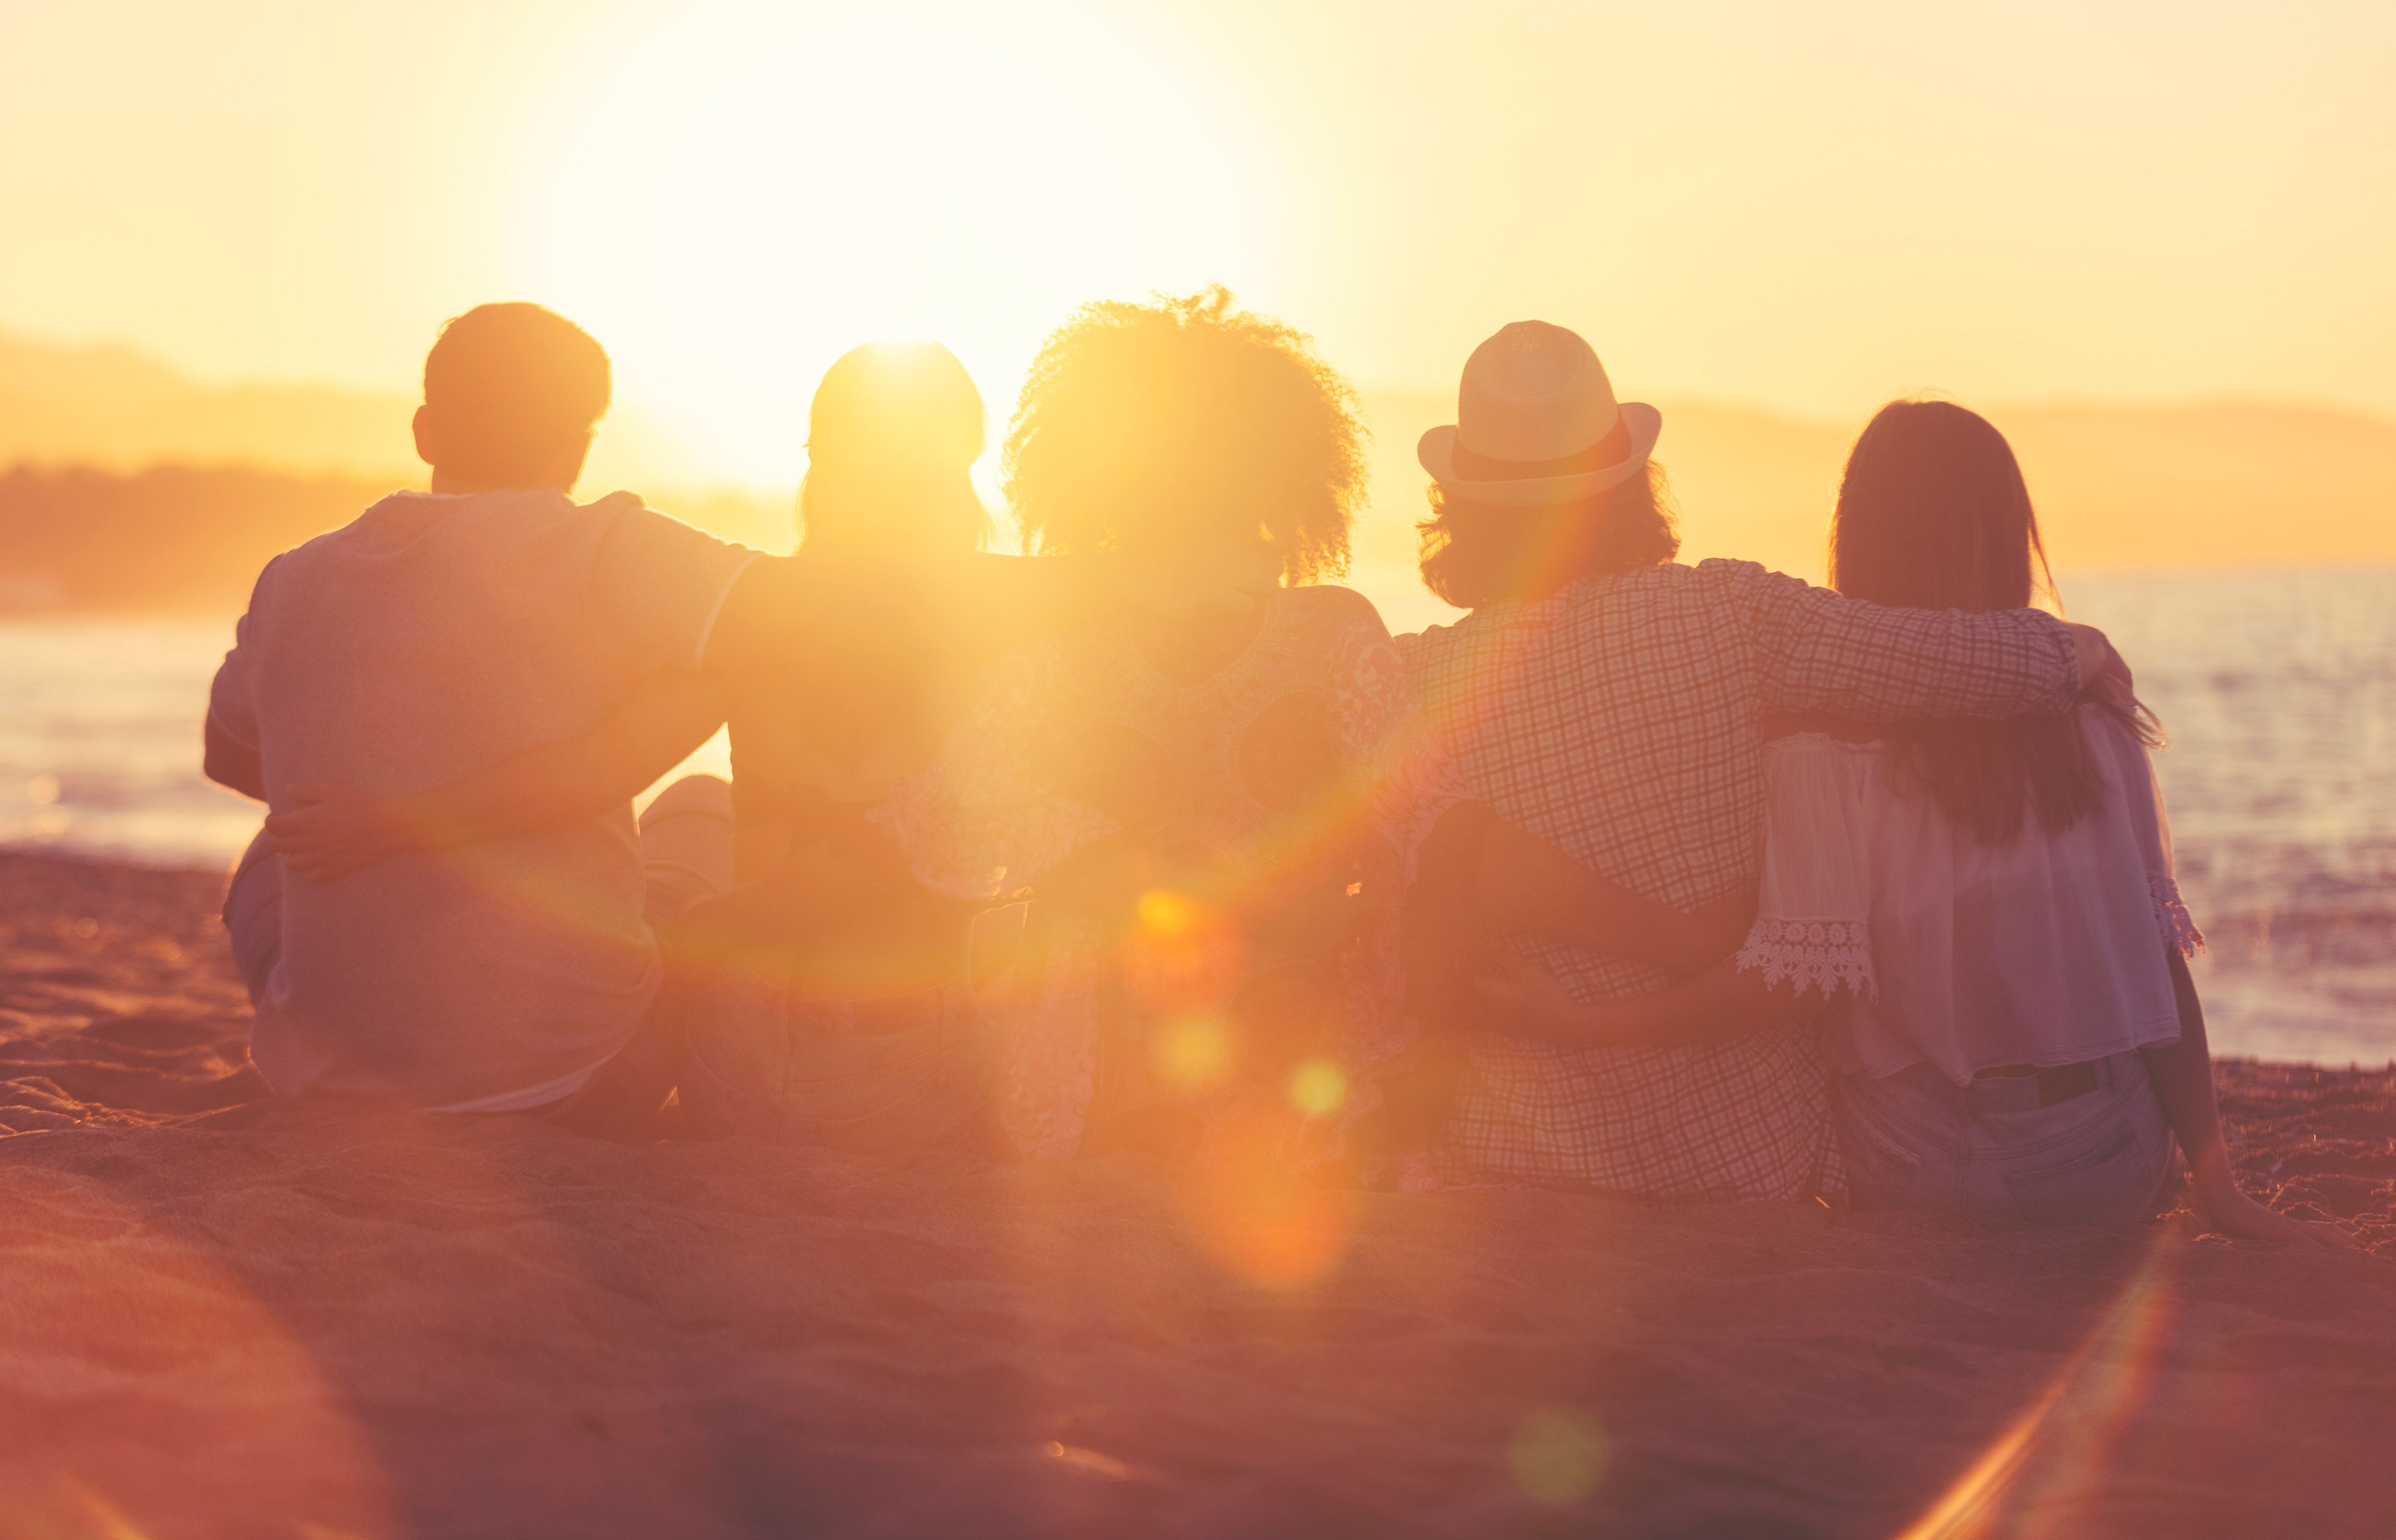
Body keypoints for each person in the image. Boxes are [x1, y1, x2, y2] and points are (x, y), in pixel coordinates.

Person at [210, 309, 1245, 1134]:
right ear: (582, 440)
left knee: (269, 861)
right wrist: (1123, 580)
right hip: (567, 1074)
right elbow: (844, 615)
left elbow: (235, 752)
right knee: (687, 814)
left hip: (329, 1087)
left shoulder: (292, 578)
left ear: (426, 431)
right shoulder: (611, 546)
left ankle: (350, 1011)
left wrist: (385, 804)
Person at [870, 291, 1749, 1173]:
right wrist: (1671, 942)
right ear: (1281, 472)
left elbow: (934, 828)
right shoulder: (1326, 636)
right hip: (1296, 1099)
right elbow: (1440, 841)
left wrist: (1099, 860)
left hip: (1090, 1102)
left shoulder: (1057, 654)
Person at [1474, 400, 2350, 1244]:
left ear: (1860, 541)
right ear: (2010, 535)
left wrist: (1582, 1024)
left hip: (1918, 1167)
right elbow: (2158, 971)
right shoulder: (2092, 719)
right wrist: (2217, 1178)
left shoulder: (1819, 747)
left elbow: (1776, 987)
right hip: (2104, 1167)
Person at [1397, 322, 2125, 1201]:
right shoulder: (1732, 616)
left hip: (1523, 1153)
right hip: (1746, 1159)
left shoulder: (1417, 684)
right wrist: (2073, 655)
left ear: (1463, 509)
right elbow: (1932, 655)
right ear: (1627, 485)